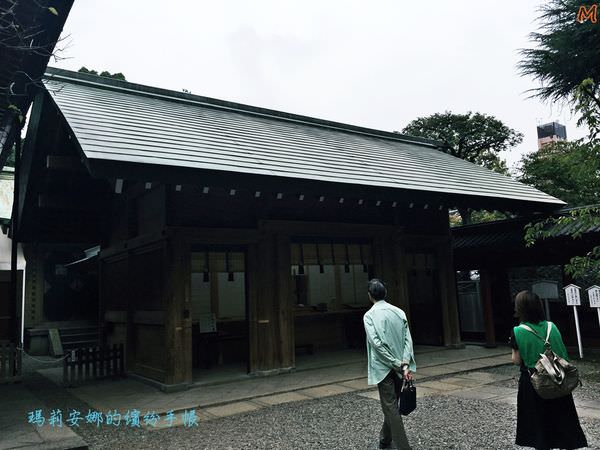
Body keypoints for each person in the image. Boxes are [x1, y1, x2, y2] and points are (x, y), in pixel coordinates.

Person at [511, 290, 587, 449]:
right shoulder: (552, 326)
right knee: (562, 416)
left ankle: (543, 445)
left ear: (520, 309)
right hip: (559, 377)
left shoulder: (518, 331)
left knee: (538, 420)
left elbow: (517, 361)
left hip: (534, 382)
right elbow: (562, 353)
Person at [363, 279, 416, 450]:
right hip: (401, 366)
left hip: (384, 367)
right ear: (385, 293)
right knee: (391, 405)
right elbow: (408, 339)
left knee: (391, 407)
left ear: (370, 296)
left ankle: (403, 447)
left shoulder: (369, 316)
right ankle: (385, 440)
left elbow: (376, 344)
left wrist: (394, 363)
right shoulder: (399, 312)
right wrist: (405, 362)